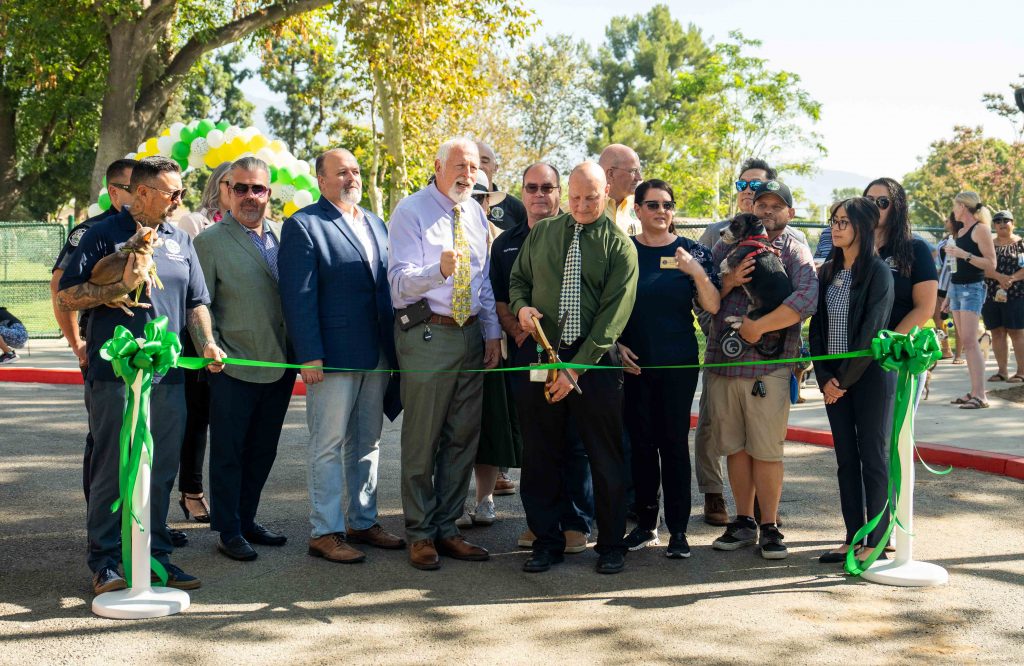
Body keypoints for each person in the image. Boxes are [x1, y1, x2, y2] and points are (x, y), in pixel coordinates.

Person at [58, 156, 225, 595]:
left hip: (167, 374)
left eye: (182, 193)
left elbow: (196, 301)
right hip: (114, 374)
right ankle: (106, 562)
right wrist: (111, 289)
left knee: (162, 466)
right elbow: (68, 294)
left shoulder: (179, 239)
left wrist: (207, 341)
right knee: (113, 466)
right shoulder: (100, 234)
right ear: (144, 192)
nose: (179, 200)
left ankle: (154, 556)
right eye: (173, 193)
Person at [510, 161, 638, 575]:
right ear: (567, 195)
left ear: (607, 195)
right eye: (576, 197)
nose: (582, 205)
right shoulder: (543, 233)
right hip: (542, 358)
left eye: (592, 197)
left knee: (604, 456)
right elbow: (517, 282)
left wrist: (575, 370)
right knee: (540, 453)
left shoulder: (620, 247)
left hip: (594, 365)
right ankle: (545, 542)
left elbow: (612, 318)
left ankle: (611, 546)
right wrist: (521, 308)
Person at [279, 148, 405, 565]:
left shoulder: (375, 221)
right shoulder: (304, 225)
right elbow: (298, 296)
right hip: (331, 356)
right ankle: (325, 529)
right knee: (328, 444)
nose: (350, 178)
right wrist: (309, 353)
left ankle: (363, 521)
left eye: (354, 171)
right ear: (321, 180)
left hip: (377, 353)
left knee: (368, 442)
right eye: (340, 172)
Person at [387, 137, 501, 570]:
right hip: (427, 336)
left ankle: (447, 528)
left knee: (462, 438)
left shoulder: (474, 212)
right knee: (423, 439)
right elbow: (397, 284)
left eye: (473, 168)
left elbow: (483, 282)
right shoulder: (410, 211)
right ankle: (419, 533)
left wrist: (491, 334)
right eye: (459, 166)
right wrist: (439, 270)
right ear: (437, 166)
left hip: (470, 336)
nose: (467, 175)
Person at [706, 179, 817, 560]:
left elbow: (806, 297)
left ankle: (769, 525)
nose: (767, 211)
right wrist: (728, 281)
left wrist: (759, 326)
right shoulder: (726, 244)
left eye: (775, 206)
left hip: (769, 366)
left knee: (767, 450)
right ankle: (743, 521)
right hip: (725, 363)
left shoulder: (794, 250)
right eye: (761, 204)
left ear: (789, 212)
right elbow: (701, 295)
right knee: (734, 447)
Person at [193, 157, 295, 561]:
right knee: (229, 451)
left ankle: (247, 519)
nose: (250, 197)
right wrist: (208, 345)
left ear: (270, 193)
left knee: (263, 449)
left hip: (280, 365)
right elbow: (198, 304)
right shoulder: (209, 242)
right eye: (241, 188)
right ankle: (229, 530)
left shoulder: (287, 236)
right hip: (232, 366)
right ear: (226, 191)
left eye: (259, 189)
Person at [491, 162, 595, 555]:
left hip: (573, 355)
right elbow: (500, 297)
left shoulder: (581, 234)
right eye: (531, 188)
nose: (539, 195)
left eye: (547, 188)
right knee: (537, 442)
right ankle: (540, 523)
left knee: (574, 441)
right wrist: (515, 324)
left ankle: (577, 522)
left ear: (558, 193)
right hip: (525, 353)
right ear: (522, 192)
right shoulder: (504, 244)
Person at [616, 179, 720, 558]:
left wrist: (695, 272)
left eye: (668, 205)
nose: (662, 211)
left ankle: (678, 531)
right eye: (653, 204)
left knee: (673, 446)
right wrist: (614, 346)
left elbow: (712, 305)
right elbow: (608, 306)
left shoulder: (693, 252)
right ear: (639, 209)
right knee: (641, 447)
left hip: (677, 364)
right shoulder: (624, 251)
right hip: (634, 366)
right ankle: (646, 525)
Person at [809, 198, 894, 564]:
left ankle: (877, 538)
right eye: (834, 221)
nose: (836, 227)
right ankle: (852, 536)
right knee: (846, 459)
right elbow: (816, 328)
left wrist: (842, 381)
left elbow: (871, 333)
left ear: (863, 226)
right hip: (834, 379)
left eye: (844, 221)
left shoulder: (879, 272)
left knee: (873, 457)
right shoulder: (827, 271)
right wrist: (825, 376)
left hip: (869, 378)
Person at [49, 158, 136, 503]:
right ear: (115, 192)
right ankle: (101, 518)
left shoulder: (150, 228)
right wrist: (77, 343)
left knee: (141, 435)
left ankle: (141, 519)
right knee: (105, 438)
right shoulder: (91, 232)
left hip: (144, 349)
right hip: (103, 345)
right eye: (136, 188)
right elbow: (60, 287)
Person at [461, 171, 522, 527]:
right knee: (453, 428)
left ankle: (484, 501)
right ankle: (451, 502)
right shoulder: (440, 230)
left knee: (492, 425)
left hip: (496, 346)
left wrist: (499, 336)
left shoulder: (501, 241)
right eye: (470, 195)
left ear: (488, 203)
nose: (476, 202)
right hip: (454, 340)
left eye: (481, 197)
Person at [174, 160, 233, 524]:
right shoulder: (194, 223)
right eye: (234, 185)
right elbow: (189, 286)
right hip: (198, 335)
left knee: (224, 420)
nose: (243, 192)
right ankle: (191, 493)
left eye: (253, 186)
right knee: (195, 419)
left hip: (237, 339)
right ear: (218, 185)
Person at [863, 177, 938, 397]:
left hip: (895, 356)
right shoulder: (849, 246)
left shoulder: (915, 249)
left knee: (893, 431)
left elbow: (924, 308)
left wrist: (886, 348)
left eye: (883, 202)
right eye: (869, 200)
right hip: (854, 357)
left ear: (897, 208)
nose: (875, 206)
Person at [945, 191, 997, 409]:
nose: (953, 211)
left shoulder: (981, 229)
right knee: (966, 342)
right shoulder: (962, 230)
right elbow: (954, 267)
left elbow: (991, 264)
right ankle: (975, 391)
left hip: (972, 288)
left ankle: (980, 395)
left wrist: (963, 254)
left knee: (969, 341)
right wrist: (948, 294)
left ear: (963, 206)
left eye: (955, 206)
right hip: (957, 288)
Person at [982, 210, 1024, 383]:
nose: (1002, 223)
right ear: (994, 225)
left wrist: (1011, 279)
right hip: (991, 295)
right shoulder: (988, 245)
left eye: (1006, 220)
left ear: (1013, 223)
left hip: (1016, 294)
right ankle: (1002, 371)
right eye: (998, 220)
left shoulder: (1021, 245)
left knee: (1016, 333)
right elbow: (983, 267)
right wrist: (999, 278)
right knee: (997, 332)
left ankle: (1022, 372)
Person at [475, 141, 527, 232]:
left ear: (496, 168)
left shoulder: (516, 207)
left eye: (484, 161)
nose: (479, 166)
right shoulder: (455, 202)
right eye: (474, 161)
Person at [597, 144, 642, 236]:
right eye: (633, 171)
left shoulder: (644, 206)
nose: (639, 178)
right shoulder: (574, 210)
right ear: (610, 174)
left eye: (639, 171)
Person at [935, 213, 959, 360]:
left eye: (948, 220)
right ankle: (945, 348)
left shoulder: (964, 241)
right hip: (942, 286)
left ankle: (959, 354)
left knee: (957, 321)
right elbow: (938, 265)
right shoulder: (943, 242)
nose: (945, 221)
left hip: (958, 286)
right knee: (939, 319)